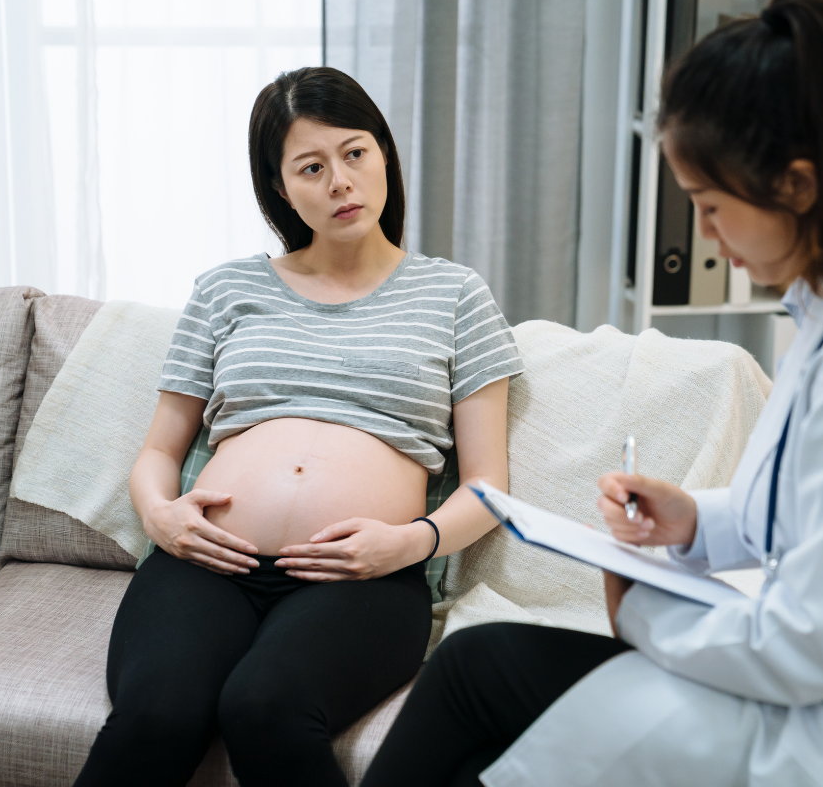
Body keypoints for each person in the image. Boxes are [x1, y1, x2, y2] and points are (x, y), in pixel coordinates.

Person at [359, 0, 823, 785]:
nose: (706, 234)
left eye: (711, 207)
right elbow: (818, 510)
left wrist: (639, 610)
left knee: (481, 691)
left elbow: (816, 646)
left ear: (798, 188)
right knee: (476, 670)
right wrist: (693, 519)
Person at [73, 66, 523, 787]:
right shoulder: (227, 288)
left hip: (365, 576)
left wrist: (410, 543)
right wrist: (162, 516)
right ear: (281, 189)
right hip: (209, 563)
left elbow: (489, 484)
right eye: (311, 167)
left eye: (355, 153)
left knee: (264, 706)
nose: (341, 181)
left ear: (383, 155)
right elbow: (159, 449)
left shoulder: (455, 294)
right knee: (157, 714)